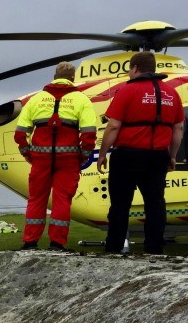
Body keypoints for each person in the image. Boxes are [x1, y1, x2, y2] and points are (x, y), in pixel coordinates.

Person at [96, 51, 184, 254]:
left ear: (135, 68)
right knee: (155, 204)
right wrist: (172, 155)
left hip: (127, 155)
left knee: (120, 204)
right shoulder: (172, 93)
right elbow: (178, 129)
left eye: (129, 69)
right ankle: (154, 248)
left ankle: (114, 248)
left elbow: (113, 126)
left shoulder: (127, 91)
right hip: (157, 157)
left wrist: (102, 153)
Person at [14, 61, 97, 250]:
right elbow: (89, 134)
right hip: (68, 160)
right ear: (72, 78)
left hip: (40, 159)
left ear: (54, 77)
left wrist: (28, 153)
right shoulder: (81, 100)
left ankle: (30, 241)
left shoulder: (36, 99)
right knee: (62, 200)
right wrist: (83, 155)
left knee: (36, 199)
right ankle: (57, 243)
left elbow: (20, 134)